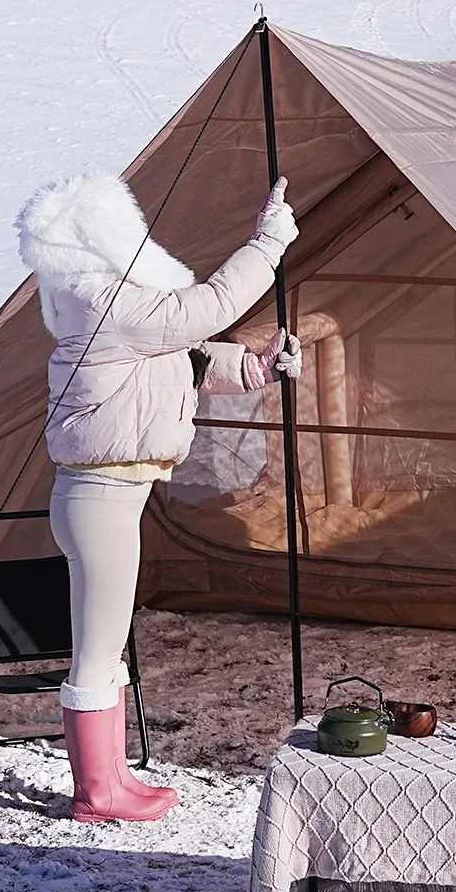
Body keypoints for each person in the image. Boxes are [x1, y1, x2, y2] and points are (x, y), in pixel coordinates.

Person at [16, 171, 300, 822]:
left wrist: (255, 368)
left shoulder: (99, 303)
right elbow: (200, 313)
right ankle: (97, 793)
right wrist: (267, 245)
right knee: (96, 647)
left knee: (105, 641)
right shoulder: (102, 301)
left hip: (107, 497)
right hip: (101, 497)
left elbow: (183, 356)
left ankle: (109, 780)